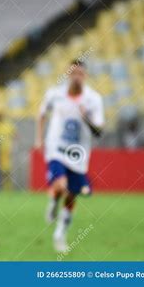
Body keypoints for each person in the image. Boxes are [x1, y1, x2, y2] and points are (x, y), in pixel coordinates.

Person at [35, 60, 104, 252]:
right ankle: (54, 200)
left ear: (85, 76)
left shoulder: (93, 99)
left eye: (80, 73)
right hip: (56, 148)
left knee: (72, 195)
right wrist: (39, 138)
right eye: (73, 73)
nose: (77, 77)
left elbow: (99, 131)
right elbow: (41, 114)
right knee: (61, 185)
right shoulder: (54, 94)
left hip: (79, 154)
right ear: (68, 74)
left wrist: (86, 117)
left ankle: (60, 233)